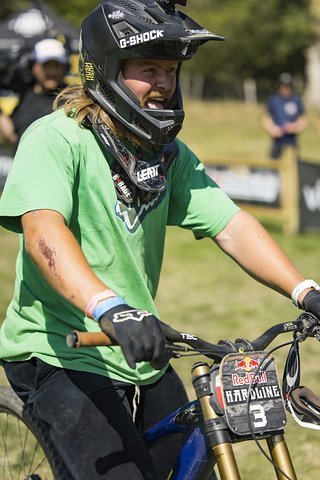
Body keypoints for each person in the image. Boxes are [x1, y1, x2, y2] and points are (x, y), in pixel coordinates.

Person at [0, 1, 320, 479]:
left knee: (195, 464)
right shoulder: (57, 138)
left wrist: (306, 291)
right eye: (148, 68)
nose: (164, 83)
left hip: (141, 349)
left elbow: (230, 225)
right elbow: (44, 231)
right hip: (60, 350)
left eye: (170, 70)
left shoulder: (170, 155)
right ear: (106, 69)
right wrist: (110, 308)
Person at [0, 38, 68, 145]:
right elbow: (11, 136)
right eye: (46, 65)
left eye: (57, 65)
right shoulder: (25, 92)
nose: (52, 71)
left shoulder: (72, 96)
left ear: (65, 67)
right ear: (34, 66)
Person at [262, 72, 308, 159]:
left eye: (288, 85)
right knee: (275, 162)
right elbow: (266, 118)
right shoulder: (273, 100)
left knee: (294, 163)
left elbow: (303, 119)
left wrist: (295, 127)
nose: (286, 88)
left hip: (292, 140)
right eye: (283, 85)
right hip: (277, 140)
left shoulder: (297, 100)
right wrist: (272, 129)